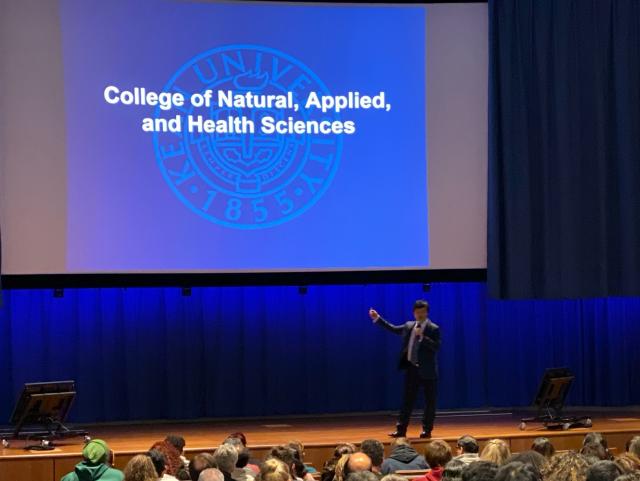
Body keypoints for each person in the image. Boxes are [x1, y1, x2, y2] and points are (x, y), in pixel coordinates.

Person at [369, 300, 441, 438]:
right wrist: (377, 318)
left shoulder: (433, 328)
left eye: (423, 312)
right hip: (411, 369)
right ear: (414, 313)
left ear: (427, 313)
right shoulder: (409, 326)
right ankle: (401, 430)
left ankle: (427, 430)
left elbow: (436, 347)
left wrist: (422, 337)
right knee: (407, 401)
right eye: (417, 312)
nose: (420, 315)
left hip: (428, 371)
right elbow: (394, 328)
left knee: (429, 402)